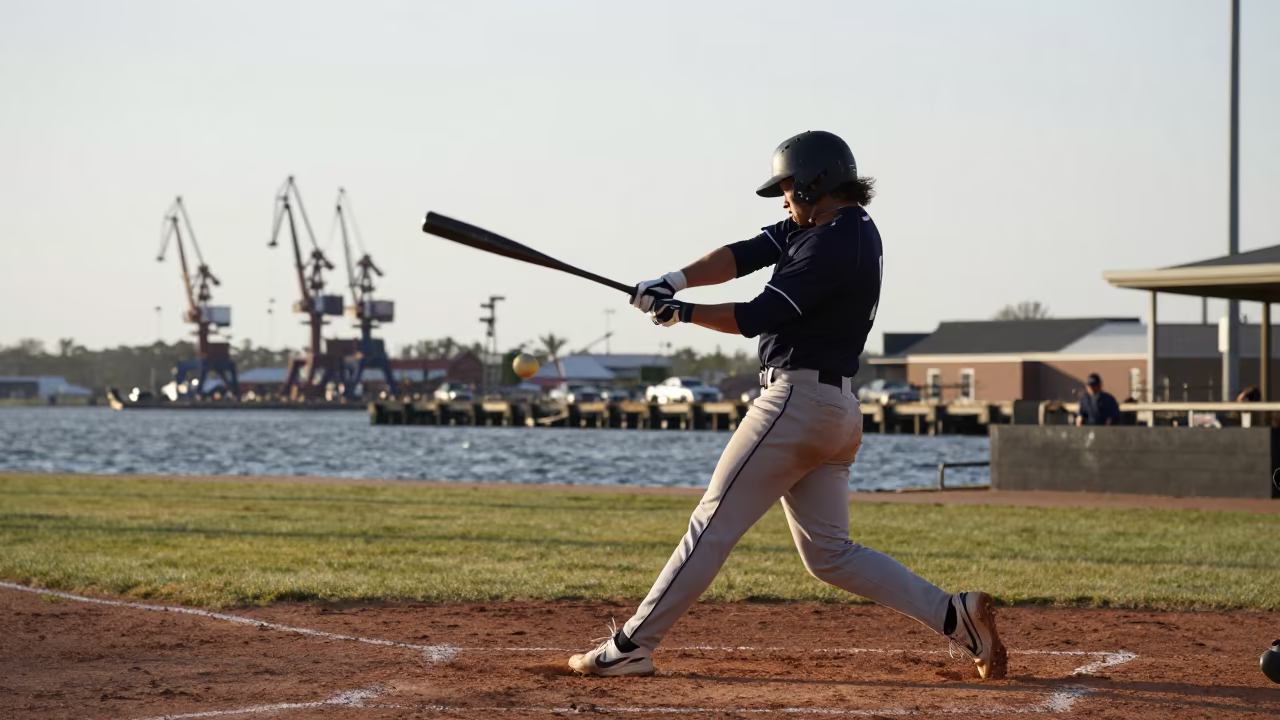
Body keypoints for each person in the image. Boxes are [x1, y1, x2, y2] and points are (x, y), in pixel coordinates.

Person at [566, 131, 1007, 681]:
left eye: (787, 187)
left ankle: (633, 643)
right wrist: (673, 280)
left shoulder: (830, 243)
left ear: (816, 182)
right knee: (829, 554)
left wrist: (680, 312)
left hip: (796, 402)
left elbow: (757, 315)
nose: (783, 199)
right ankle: (954, 615)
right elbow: (745, 254)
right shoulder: (834, 227)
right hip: (835, 409)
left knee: (711, 523)